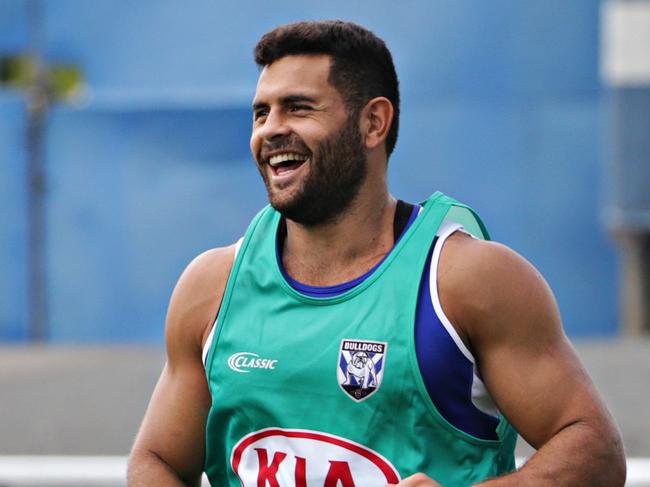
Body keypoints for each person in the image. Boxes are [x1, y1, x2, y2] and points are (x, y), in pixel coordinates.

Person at [127, 20, 626, 486]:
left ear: (373, 123)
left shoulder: (466, 279)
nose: (271, 129)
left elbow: (595, 452)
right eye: (262, 112)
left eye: (298, 107)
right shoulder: (212, 285)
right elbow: (158, 459)